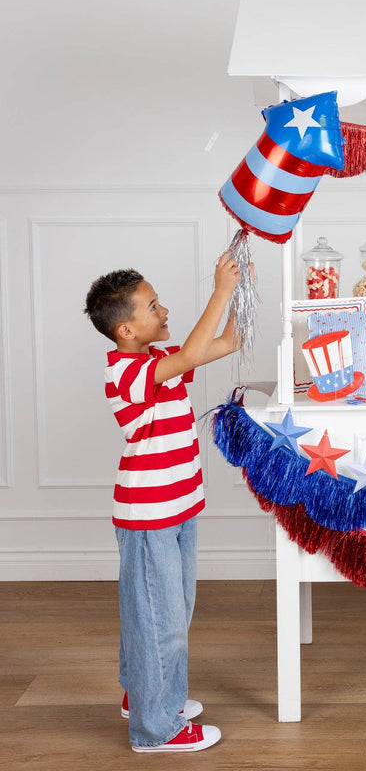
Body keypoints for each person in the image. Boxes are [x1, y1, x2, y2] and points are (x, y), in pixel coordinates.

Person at [84, 251, 241, 753]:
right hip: (150, 515)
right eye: (153, 306)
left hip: (176, 507)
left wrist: (241, 289)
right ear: (126, 329)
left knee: (166, 611)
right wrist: (218, 290)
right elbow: (194, 354)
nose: (165, 311)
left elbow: (226, 342)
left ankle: (147, 695)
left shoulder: (155, 362)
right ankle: (156, 728)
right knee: (161, 618)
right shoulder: (126, 373)